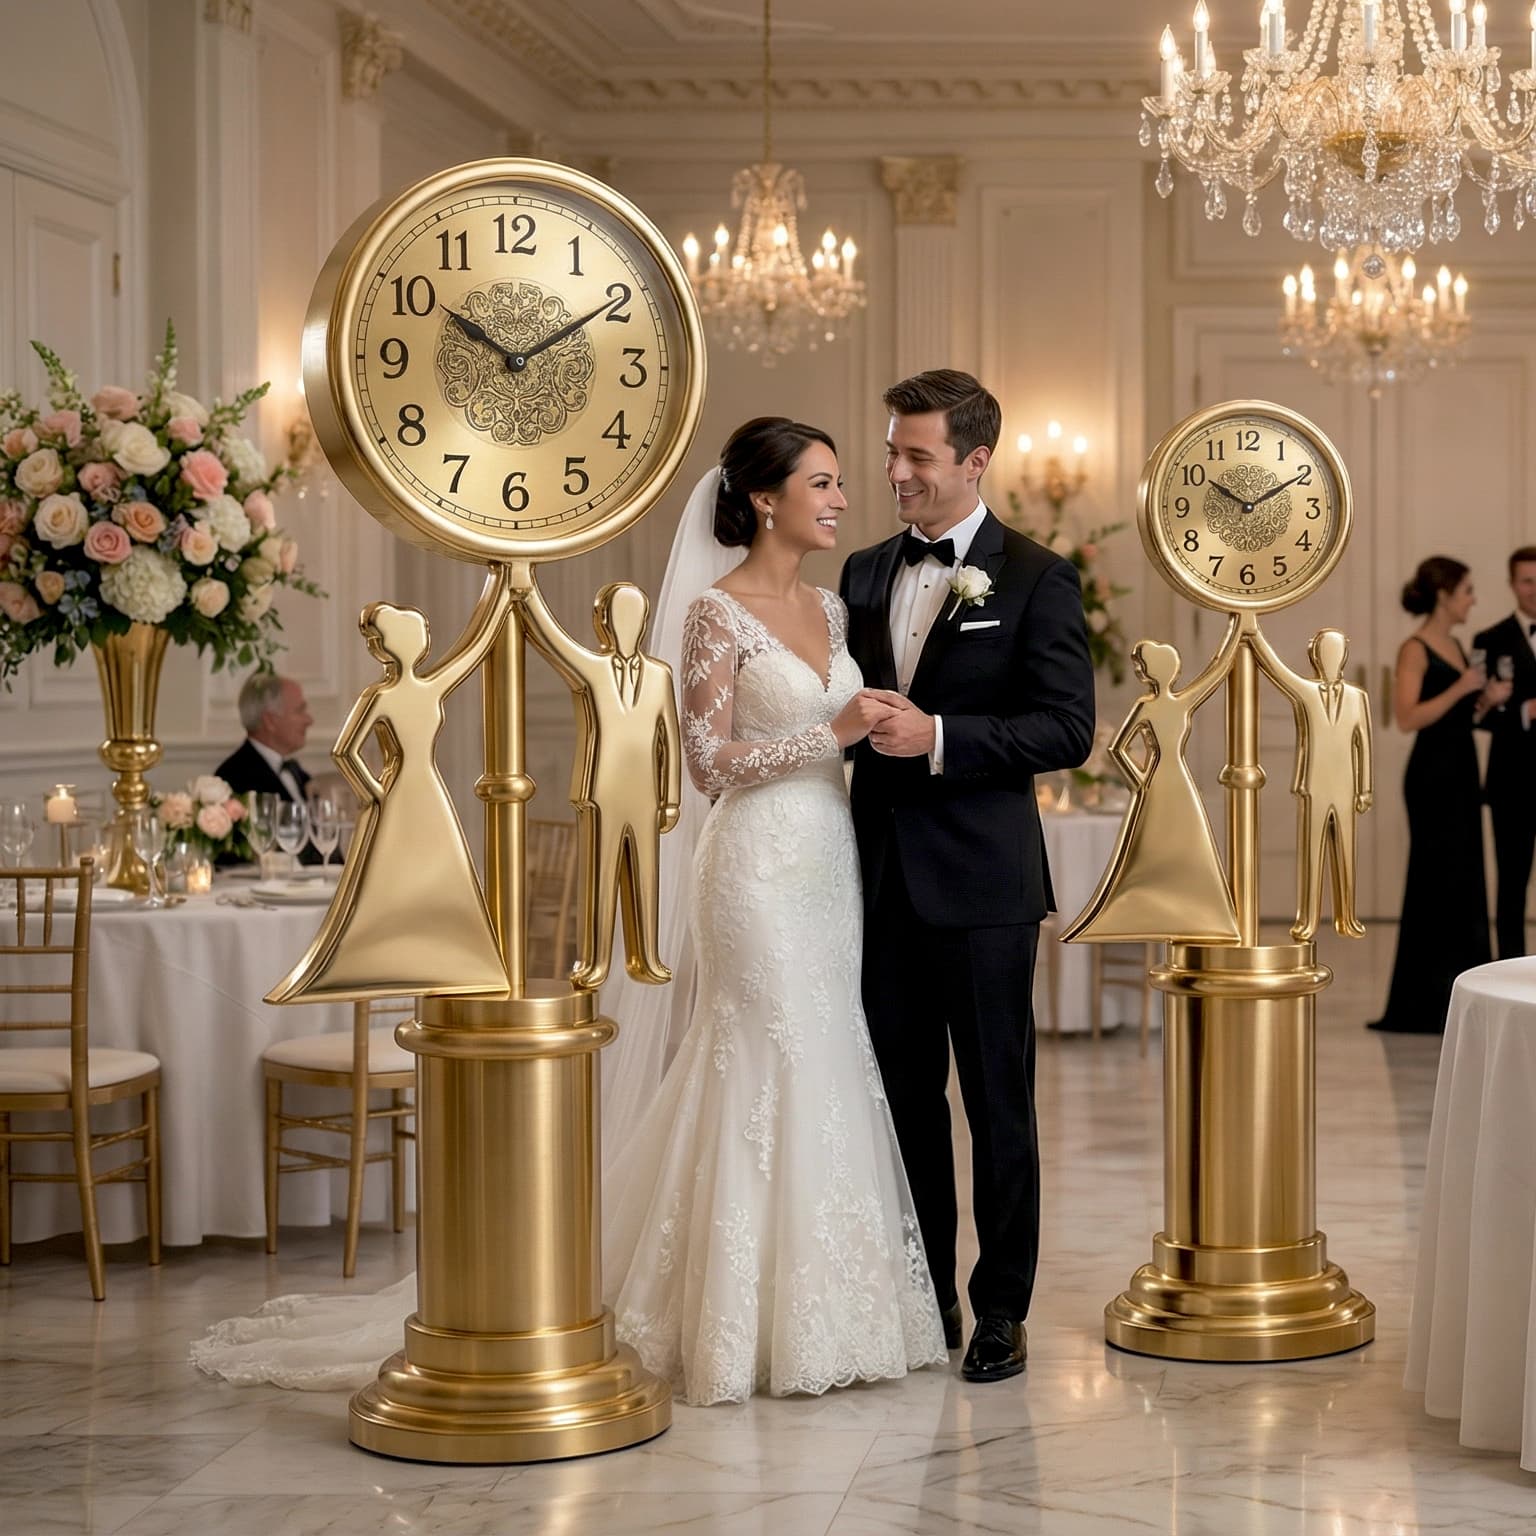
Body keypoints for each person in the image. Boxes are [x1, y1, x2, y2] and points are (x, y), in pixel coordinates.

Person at [193, 417, 948, 1403]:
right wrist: (832, 733)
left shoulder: (832, 610)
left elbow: (828, 728)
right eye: (824, 481)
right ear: (766, 500)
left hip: (826, 862)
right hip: (754, 868)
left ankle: (835, 1314)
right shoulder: (715, 615)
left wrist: (873, 724)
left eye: (840, 482)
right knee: (766, 1051)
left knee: (829, 1048)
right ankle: (733, 1327)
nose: (843, 498)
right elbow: (709, 765)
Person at [839, 369, 1095, 1384]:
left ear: (976, 459)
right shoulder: (859, 572)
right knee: (902, 1100)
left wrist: (940, 735)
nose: (895, 472)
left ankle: (1002, 1310)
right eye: (892, 451)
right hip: (873, 879)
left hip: (984, 885)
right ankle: (924, 1295)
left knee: (996, 1103)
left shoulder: (1036, 576)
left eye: (917, 457)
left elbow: (1067, 727)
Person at [266, 570, 514, 1004]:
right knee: (387, 883)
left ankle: (462, 963)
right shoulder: (382, 696)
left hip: (424, 791)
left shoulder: (427, 687)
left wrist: (504, 594)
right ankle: (390, 960)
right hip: (404, 791)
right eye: (419, 637)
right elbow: (346, 753)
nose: (425, 645)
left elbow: (473, 651)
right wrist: (375, 795)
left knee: (440, 878)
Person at [1369, 557, 1509, 1033]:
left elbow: (1455, 714)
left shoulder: (1454, 643)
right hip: (1432, 775)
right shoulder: (1415, 648)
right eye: (1467, 590)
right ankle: (1423, 1000)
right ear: (1445, 594)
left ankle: (1462, 998)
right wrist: (1463, 688)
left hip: (1462, 767)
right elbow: (1408, 717)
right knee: (1434, 878)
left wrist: (1484, 699)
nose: (1473, 599)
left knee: (1465, 877)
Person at [1062, 632, 1241, 947]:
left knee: (1189, 846)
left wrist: (1236, 633)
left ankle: (1204, 916)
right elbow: (1118, 749)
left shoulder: (1177, 702)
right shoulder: (1149, 706)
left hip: (1171, 780)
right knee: (1154, 847)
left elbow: (1216, 673)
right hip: (1163, 780)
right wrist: (1141, 781)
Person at [1472, 546, 1536, 960]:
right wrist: (1524, 711)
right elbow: (1477, 714)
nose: (1535, 589)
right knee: (1512, 884)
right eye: (1527, 580)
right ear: (1513, 585)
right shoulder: (1488, 641)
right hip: (1513, 781)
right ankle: (1510, 973)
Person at [218, 672, 314, 804]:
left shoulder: (297, 773)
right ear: (270, 721)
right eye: (300, 710)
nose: (309, 720)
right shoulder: (234, 778)